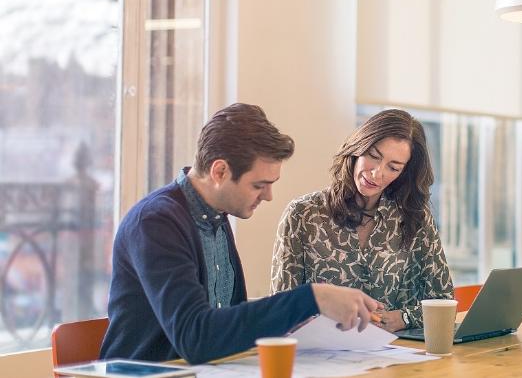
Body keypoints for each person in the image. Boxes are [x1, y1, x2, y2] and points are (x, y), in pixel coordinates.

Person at [100, 103, 380, 364]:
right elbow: (196, 338)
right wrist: (312, 298)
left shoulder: (216, 217)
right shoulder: (156, 223)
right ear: (220, 171)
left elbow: (227, 323)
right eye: (259, 185)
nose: (269, 196)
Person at [271, 109, 453, 332]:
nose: (377, 173)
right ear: (358, 147)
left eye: (393, 167)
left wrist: (403, 318)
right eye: (373, 157)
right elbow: (281, 307)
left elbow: (443, 301)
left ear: (404, 172)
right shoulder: (302, 214)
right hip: (321, 355)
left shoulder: (415, 217)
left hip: (397, 357)